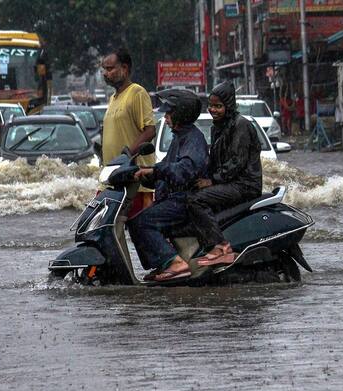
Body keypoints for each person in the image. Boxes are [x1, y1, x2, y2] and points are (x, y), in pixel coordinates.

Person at [127, 90, 208, 282]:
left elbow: (183, 170)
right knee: (134, 220)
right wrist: (142, 174)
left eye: (169, 113)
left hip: (185, 200)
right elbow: (166, 171)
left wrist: (154, 171)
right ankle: (164, 263)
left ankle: (175, 263)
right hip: (174, 198)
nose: (165, 117)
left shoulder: (193, 139)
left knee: (142, 222)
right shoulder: (179, 137)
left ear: (181, 114)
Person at [187, 82, 263, 267]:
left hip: (244, 185)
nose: (213, 110)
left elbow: (236, 162)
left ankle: (221, 247)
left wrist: (212, 180)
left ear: (229, 105)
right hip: (229, 182)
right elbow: (214, 159)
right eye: (211, 106)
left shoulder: (241, 125)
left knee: (196, 200)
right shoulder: (218, 127)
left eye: (218, 106)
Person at [100, 48, 157, 217]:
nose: (105, 73)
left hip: (134, 181)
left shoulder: (137, 92)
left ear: (124, 69)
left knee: (140, 233)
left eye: (110, 69)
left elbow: (150, 130)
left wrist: (127, 155)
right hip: (112, 179)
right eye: (104, 69)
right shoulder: (113, 98)